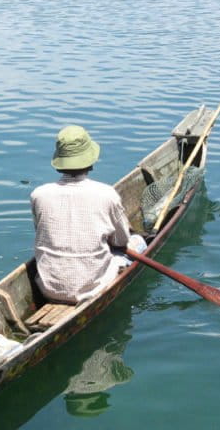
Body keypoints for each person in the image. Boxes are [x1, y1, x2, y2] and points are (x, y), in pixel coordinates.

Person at [30, 125, 146, 304]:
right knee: (139, 242)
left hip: (48, 289)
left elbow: (42, 231)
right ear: (90, 160)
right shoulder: (107, 194)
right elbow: (120, 242)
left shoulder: (38, 194)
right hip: (92, 288)